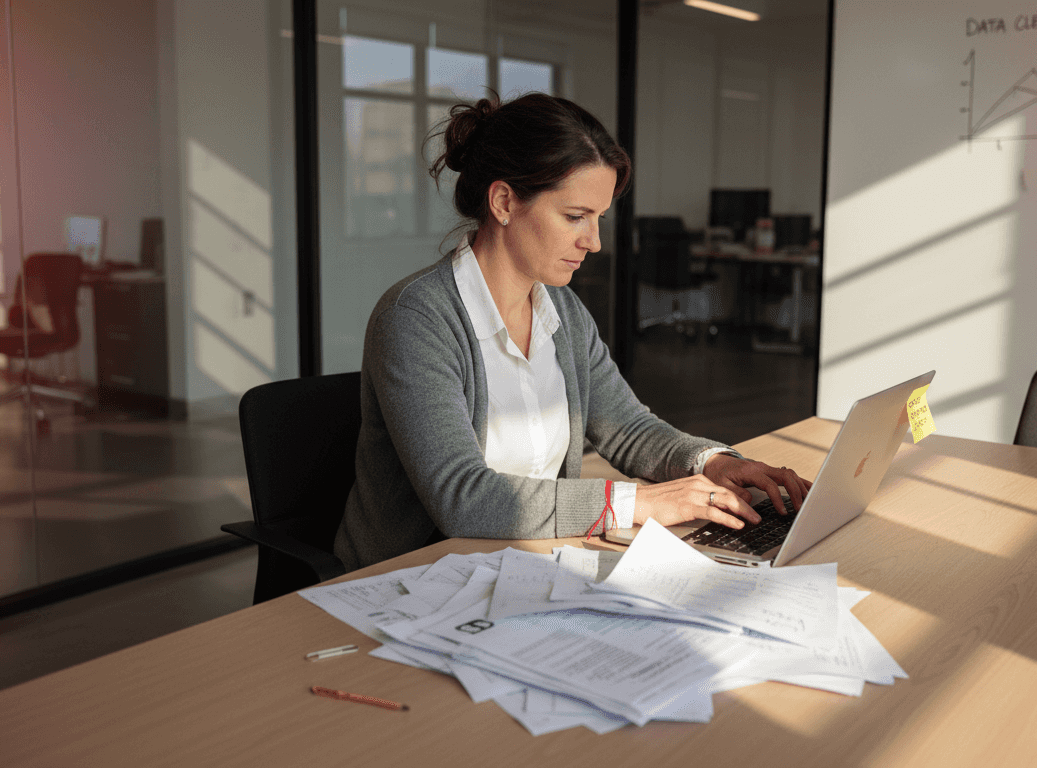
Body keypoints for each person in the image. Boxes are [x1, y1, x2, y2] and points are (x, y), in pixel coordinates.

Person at [334, 93, 812, 571]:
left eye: (598, 218)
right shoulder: (415, 318)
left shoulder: (562, 310)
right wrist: (637, 503)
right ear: (503, 202)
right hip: (412, 578)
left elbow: (628, 429)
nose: (594, 242)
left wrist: (713, 463)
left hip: (529, 561)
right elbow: (462, 498)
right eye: (575, 216)